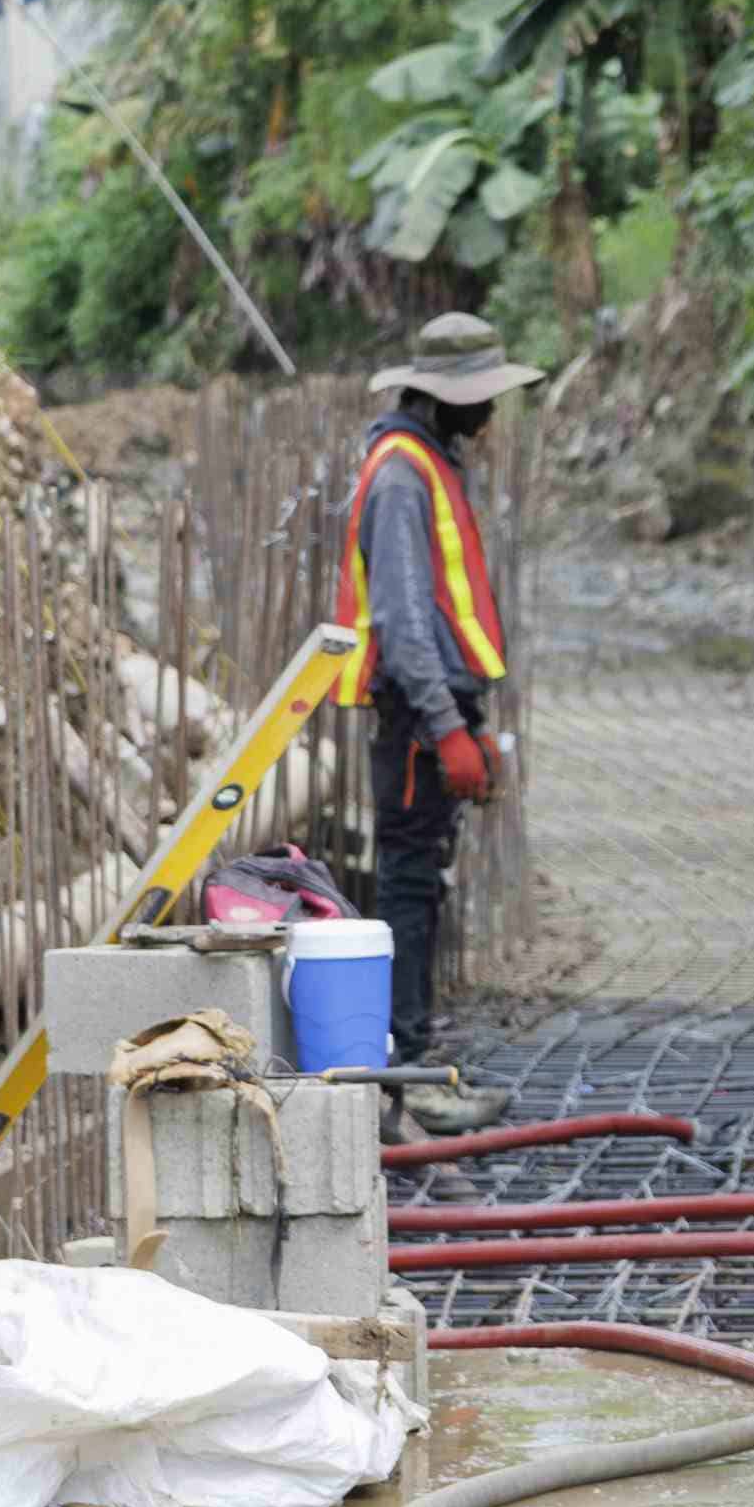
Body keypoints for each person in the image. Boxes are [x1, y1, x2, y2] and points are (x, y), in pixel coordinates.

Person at [330, 312, 542, 1074]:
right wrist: (447, 724)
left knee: (424, 879)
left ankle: (413, 1049)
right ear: (435, 397)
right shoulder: (398, 475)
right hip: (415, 714)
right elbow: (402, 616)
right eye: (478, 397)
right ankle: (406, 1062)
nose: (488, 413)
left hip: (435, 709)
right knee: (409, 882)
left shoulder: (428, 463)